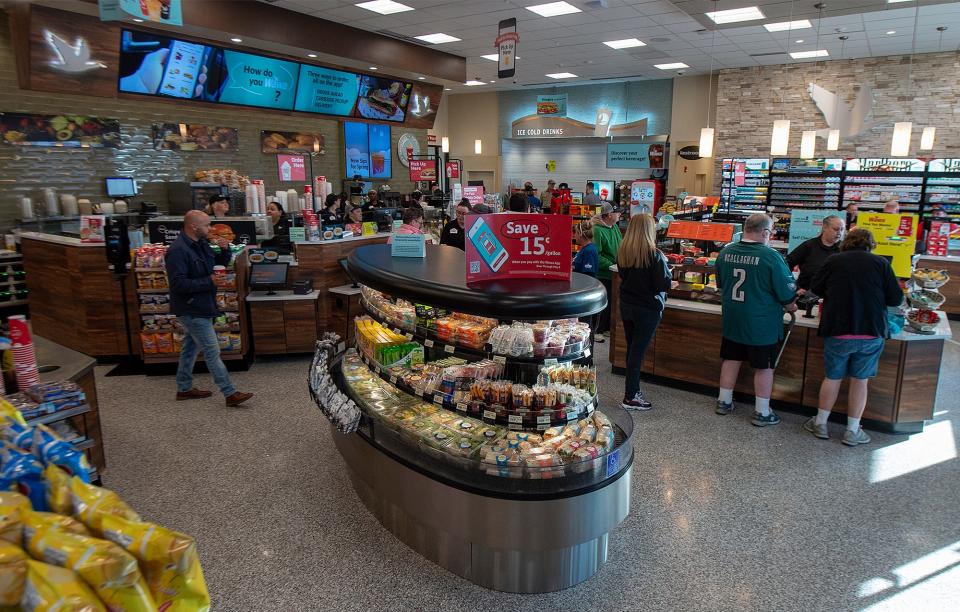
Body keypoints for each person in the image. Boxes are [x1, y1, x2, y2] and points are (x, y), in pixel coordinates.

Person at [805, 228, 904, 446]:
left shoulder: (834, 261)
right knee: (861, 380)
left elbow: (815, 288)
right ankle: (852, 430)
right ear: (871, 244)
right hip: (870, 330)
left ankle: (820, 423)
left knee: (832, 377)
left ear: (847, 242)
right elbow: (896, 299)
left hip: (838, 328)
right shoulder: (881, 264)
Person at [714, 213, 797, 426]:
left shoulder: (726, 252)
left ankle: (724, 401)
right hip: (762, 323)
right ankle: (762, 412)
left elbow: (721, 286)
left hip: (733, 318)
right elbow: (786, 293)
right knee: (764, 366)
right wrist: (791, 305)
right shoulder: (771, 256)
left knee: (731, 359)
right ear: (765, 232)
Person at [166, 211, 252, 407]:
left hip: (202, 304)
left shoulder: (201, 244)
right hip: (191, 308)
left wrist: (225, 251)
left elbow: (216, 264)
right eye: (206, 225)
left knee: (190, 347)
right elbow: (178, 285)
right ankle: (230, 393)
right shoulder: (178, 251)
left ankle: (184, 388)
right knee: (212, 350)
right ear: (194, 226)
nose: (210, 228)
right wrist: (209, 281)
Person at [617, 214, 673, 411]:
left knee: (632, 349)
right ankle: (631, 396)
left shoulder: (624, 251)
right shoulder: (655, 255)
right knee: (637, 353)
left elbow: (623, 276)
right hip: (648, 309)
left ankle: (632, 391)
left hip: (627, 305)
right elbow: (662, 284)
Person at [786, 215, 844, 293]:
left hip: (834, 298)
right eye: (836, 229)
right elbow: (786, 265)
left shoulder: (844, 249)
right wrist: (795, 286)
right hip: (806, 297)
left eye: (842, 229)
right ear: (824, 228)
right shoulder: (809, 246)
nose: (839, 233)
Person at [592, 203, 622, 338]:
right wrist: (612, 264)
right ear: (609, 215)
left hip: (615, 272)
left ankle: (606, 329)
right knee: (602, 304)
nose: (620, 214)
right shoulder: (597, 230)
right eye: (617, 212)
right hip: (603, 274)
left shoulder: (614, 226)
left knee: (612, 302)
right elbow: (596, 255)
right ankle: (597, 331)